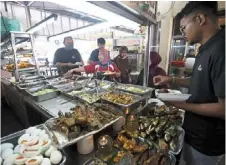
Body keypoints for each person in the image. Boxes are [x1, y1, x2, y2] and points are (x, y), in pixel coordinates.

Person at [153, 2, 225, 165]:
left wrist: (178, 103)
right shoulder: (206, 48)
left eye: (183, 28)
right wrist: (171, 80)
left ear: (200, 19)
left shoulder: (221, 49)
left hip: (207, 143)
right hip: (193, 134)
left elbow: (224, 109)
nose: (182, 33)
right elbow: (202, 81)